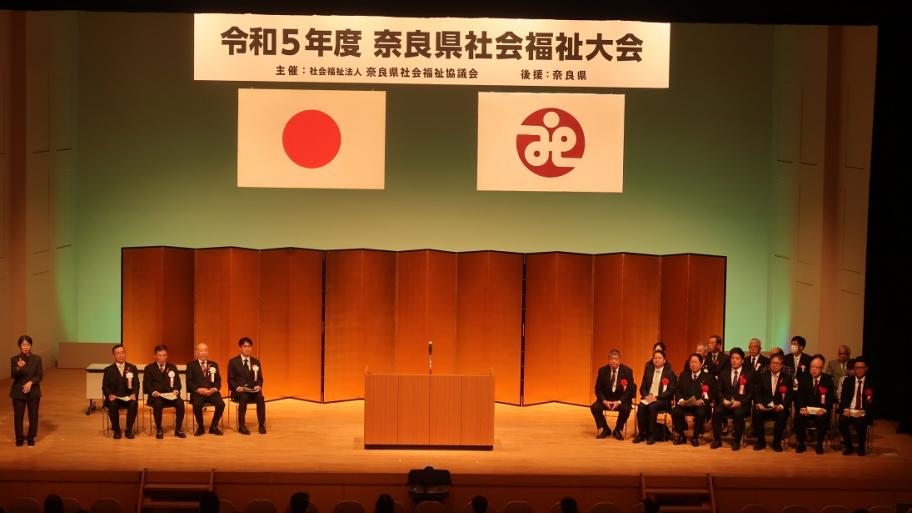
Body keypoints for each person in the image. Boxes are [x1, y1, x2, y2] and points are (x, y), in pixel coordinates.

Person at [710, 347, 752, 450]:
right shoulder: (723, 373)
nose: (734, 360)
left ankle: (736, 441)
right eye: (732, 358)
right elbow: (718, 391)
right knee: (716, 412)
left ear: (742, 360)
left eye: (737, 358)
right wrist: (723, 400)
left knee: (738, 414)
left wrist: (740, 402)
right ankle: (717, 440)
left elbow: (751, 393)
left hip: (741, 404)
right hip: (726, 403)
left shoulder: (748, 373)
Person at [751, 353, 793, 451]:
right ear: (769, 364)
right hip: (764, 407)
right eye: (773, 363)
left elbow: (789, 395)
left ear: (782, 366)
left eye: (777, 363)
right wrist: (759, 403)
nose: (774, 365)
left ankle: (776, 443)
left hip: (779, 408)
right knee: (756, 414)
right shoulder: (763, 375)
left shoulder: (786, 378)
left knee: (782, 416)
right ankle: (761, 441)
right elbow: (758, 392)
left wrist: (782, 406)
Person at [671, 353, 716, 446]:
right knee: (675, 411)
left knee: (701, 413)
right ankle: (681, 436)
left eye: (696, 362)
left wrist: (702, 401)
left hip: (699, 405)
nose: (693, 364)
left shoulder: (707, 377)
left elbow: (711, 393)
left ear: (701, 364)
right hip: (685, 404)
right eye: (691, 362)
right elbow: (678, 390)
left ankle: (695, 437)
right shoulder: (684, 375)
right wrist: (681, 400)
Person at [633, 349, 677, 445]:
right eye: (655, 358)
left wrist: (656, 397)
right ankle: (641, 434)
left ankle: (651, 436)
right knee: (641, 407)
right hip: (648, 398)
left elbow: (670, 391)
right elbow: (642, 388)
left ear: (664, 360)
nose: (657, 360)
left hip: (662, 400)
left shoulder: (670, 373)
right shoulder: (648, 371)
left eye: (659, 358)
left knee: (652, 407)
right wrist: (646, 396)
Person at [590, 348, 636, 440]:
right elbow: (597, 389)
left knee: (626, 409)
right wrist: (604, 401)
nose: (614, 361)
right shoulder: (602, 370)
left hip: (620, 400)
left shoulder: (627, 371)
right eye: (611, 359)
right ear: (608, 360)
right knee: (595, 407)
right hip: (606, 399)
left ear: (620, 360)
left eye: (616, 359)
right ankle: (605, 429)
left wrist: (619, 402)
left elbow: (630, 390)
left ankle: (618, 429)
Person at [143, 344, 186, 439]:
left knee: (180, 402)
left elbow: (178, 383)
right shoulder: (149, 368)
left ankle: (178, 429)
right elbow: (147, 385)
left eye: (164, 355)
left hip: (170, 396)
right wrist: (154, 392)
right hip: (156, 397)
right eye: (159, 355)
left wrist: (176, 390)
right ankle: (159, 429)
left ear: (167, 356)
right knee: (158, 403)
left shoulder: (172, 367)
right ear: (155, 356)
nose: (162, 358)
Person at [794, 354, 835, 454]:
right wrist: (803, 408)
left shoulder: (828, 380)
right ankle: (801, 443)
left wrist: (824, 409)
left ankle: (819, 444)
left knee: (823, 418)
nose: (813, 369)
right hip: (807, 409)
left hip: (820, 410)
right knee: (799, 416)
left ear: (822, 368)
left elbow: (830, 399)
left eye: (817, 367)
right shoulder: (804, 379)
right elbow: (799, 397)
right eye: (812, 367)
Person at [228, 337, 266, 434]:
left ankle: (261, 425)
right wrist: (237, 387)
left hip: (253, 390)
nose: (247, 348)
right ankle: (241, 426)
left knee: (260, 398)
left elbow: (260, 378)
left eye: (249, 346)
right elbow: (230, 379)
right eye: (245, 346)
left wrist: (258, 385)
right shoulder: (233, 362)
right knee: (243, 397)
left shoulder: (256, 361)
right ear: (240, 348)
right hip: (240, 391)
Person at [101, 343, 140, 439]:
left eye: (122, 352)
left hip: (128, 397)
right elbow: (105, 386)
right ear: (114, 355)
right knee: (112, 404)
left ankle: (129, 429)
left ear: (125, 353)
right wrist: (109, 395)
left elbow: (136, 384)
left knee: (134, 404)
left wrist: (134, 394)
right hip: (115, 398)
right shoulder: (108, 370)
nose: (120, 355)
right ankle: (117, 430)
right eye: (118, 353)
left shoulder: (132, 368)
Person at [186, 343, 225, 436]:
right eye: (201, 351)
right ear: (196, 352)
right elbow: (189, 381)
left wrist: (215, 388)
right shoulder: (191, 365)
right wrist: (198, 390)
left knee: (221, 404)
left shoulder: (214, 364)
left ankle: (214, 426)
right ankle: (201, 427)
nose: (204, 353)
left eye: (205, 350)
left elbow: (218, 380)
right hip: (198, 393)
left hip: (212, 392)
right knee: (197, 405)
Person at [10, 335, 42, 446]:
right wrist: (18, 368)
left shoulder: (37, 359)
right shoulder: (14, 359)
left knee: (33, 416)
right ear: (20, 346)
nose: (25, 347)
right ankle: (19, 438)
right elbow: (13, 375)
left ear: (31, 345)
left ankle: (31, 438)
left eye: (28, 344)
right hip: (18, 391)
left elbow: (39, 375)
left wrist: (31, 382)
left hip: (33, 391)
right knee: (18, 416)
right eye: (23, 344)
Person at [838, 356, 873, 456]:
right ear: (854, 369)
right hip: (850, 410)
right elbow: (844, 397)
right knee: (842, 422)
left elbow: (873, 402)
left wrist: (863, 411)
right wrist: (846, 409)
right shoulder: (848, 381)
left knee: (860, 422)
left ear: (866, 368)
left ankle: (861, 447)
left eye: (862, 367)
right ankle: (849, 446)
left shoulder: (871, 383)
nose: (859, 370)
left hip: (863, 411)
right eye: (857, 367)